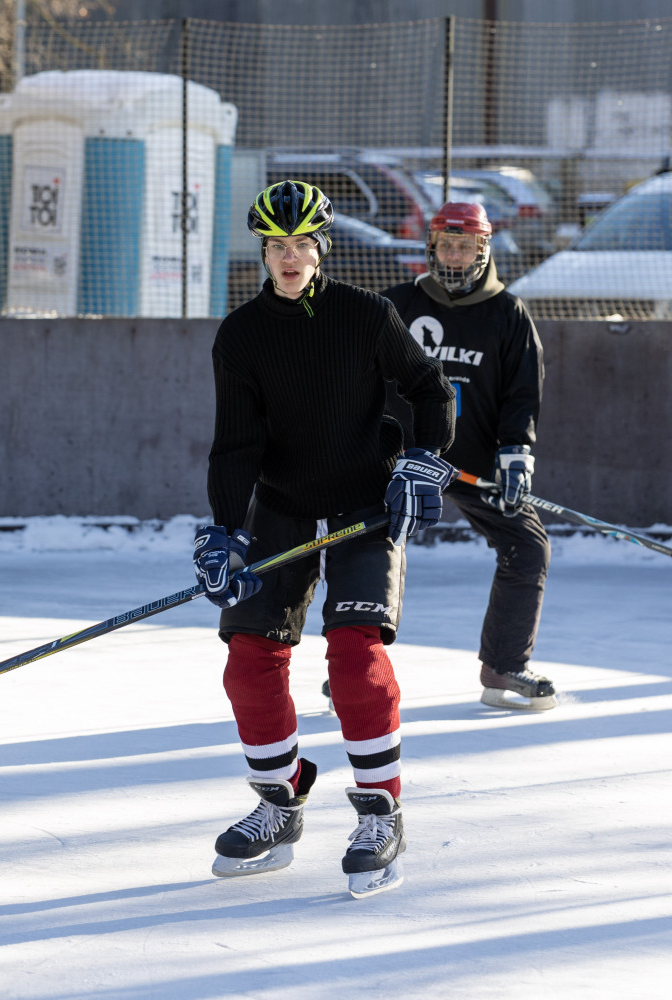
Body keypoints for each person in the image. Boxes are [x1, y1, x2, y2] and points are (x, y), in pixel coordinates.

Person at [196, 180, 454, 898]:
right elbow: (234, 446)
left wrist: (423, 459)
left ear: (322, 247)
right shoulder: (242, 336)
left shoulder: (366, 317)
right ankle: (279, 802)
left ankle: (381, 811)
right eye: (276, 245)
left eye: (301, 243)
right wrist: (224, 531)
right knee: (250, 656)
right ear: (264, 251)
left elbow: (430, 390)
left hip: (365, 506)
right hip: (282, 508)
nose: (288, 256)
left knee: (355, 657)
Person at [381, 202, 555, 712]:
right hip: (406, 459)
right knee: (372, 547)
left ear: (483, 250)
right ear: (430, 247)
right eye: (446, 245)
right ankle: (356, 665)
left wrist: (516, 452)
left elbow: (522, 394)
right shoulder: (395, 307)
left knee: (527, 546)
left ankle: (504, 667)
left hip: (474, 464)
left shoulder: (509, 314)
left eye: (465, 246)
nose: (454, 256)